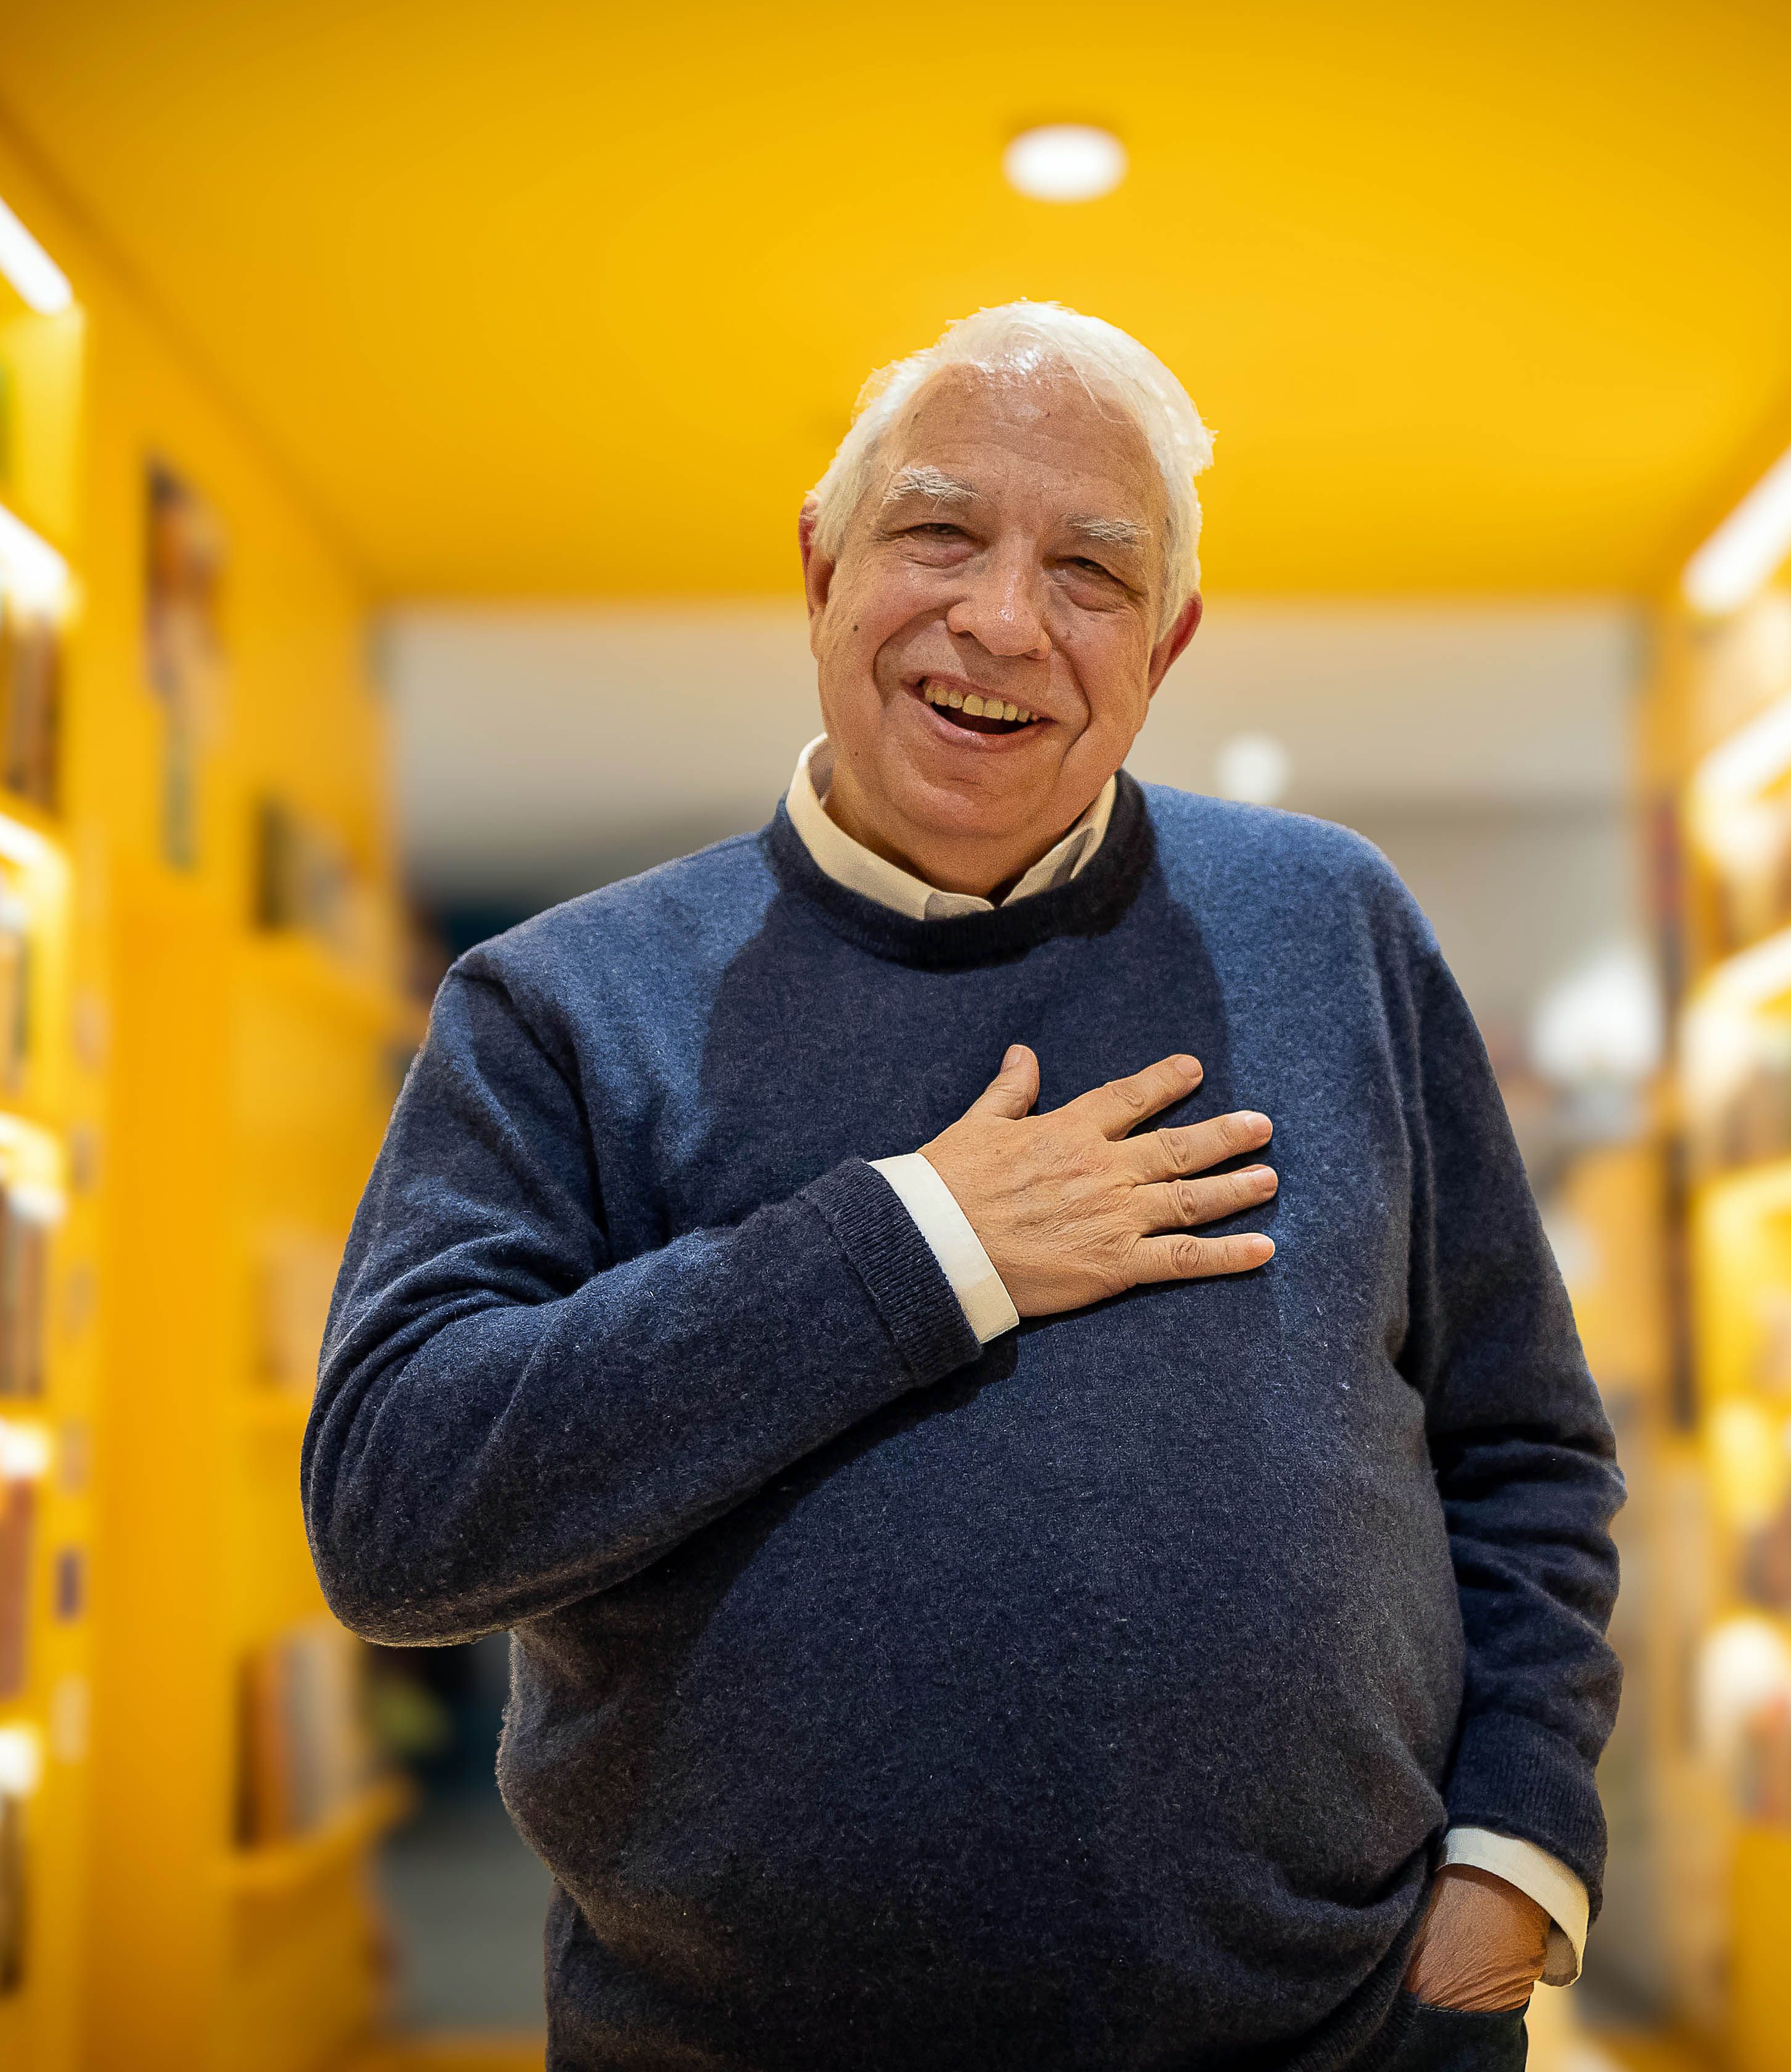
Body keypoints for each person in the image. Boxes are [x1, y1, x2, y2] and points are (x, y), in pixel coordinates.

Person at [306, 302, 1624, 2072]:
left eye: (1092, 569)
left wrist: (1519, 1846)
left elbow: (1519, 1443)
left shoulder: (1330, 928)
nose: (1003, 619)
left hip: (1343, 2033)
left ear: (1166, 644)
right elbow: (396, 1511)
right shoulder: (560, 1004)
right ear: (819, 566)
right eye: (938, 532)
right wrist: (918, 1248)